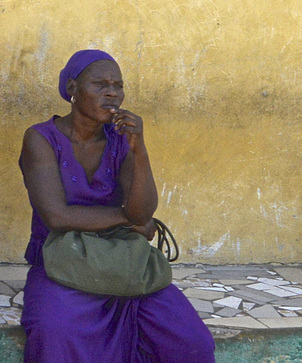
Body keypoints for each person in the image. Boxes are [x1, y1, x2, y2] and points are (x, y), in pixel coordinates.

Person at [19, 49, 215, 362]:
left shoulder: (120, 140)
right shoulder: (40, 139)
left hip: (123, 260)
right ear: (72, 89)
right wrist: (126, 220)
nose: (112, 92)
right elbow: (57, 216)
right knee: (54, 332)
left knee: (191, 341)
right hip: (61, 261)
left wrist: (140, 150)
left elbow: (142, 212)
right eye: (100, 84)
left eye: (118, 85)